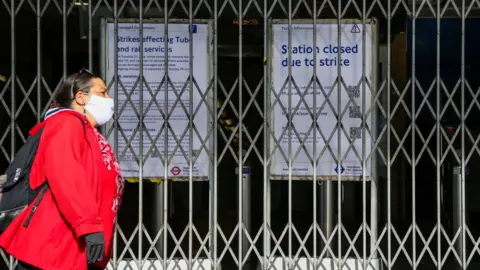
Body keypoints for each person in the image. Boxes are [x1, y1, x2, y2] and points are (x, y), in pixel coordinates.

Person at [0, 69, 124, 270]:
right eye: (103, 92)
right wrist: (89, 227)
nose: (109, 99)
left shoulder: (86, 131)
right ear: (81, 97)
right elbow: (67, 177)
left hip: (71, 248)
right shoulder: (67, 124)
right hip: (56, 248)